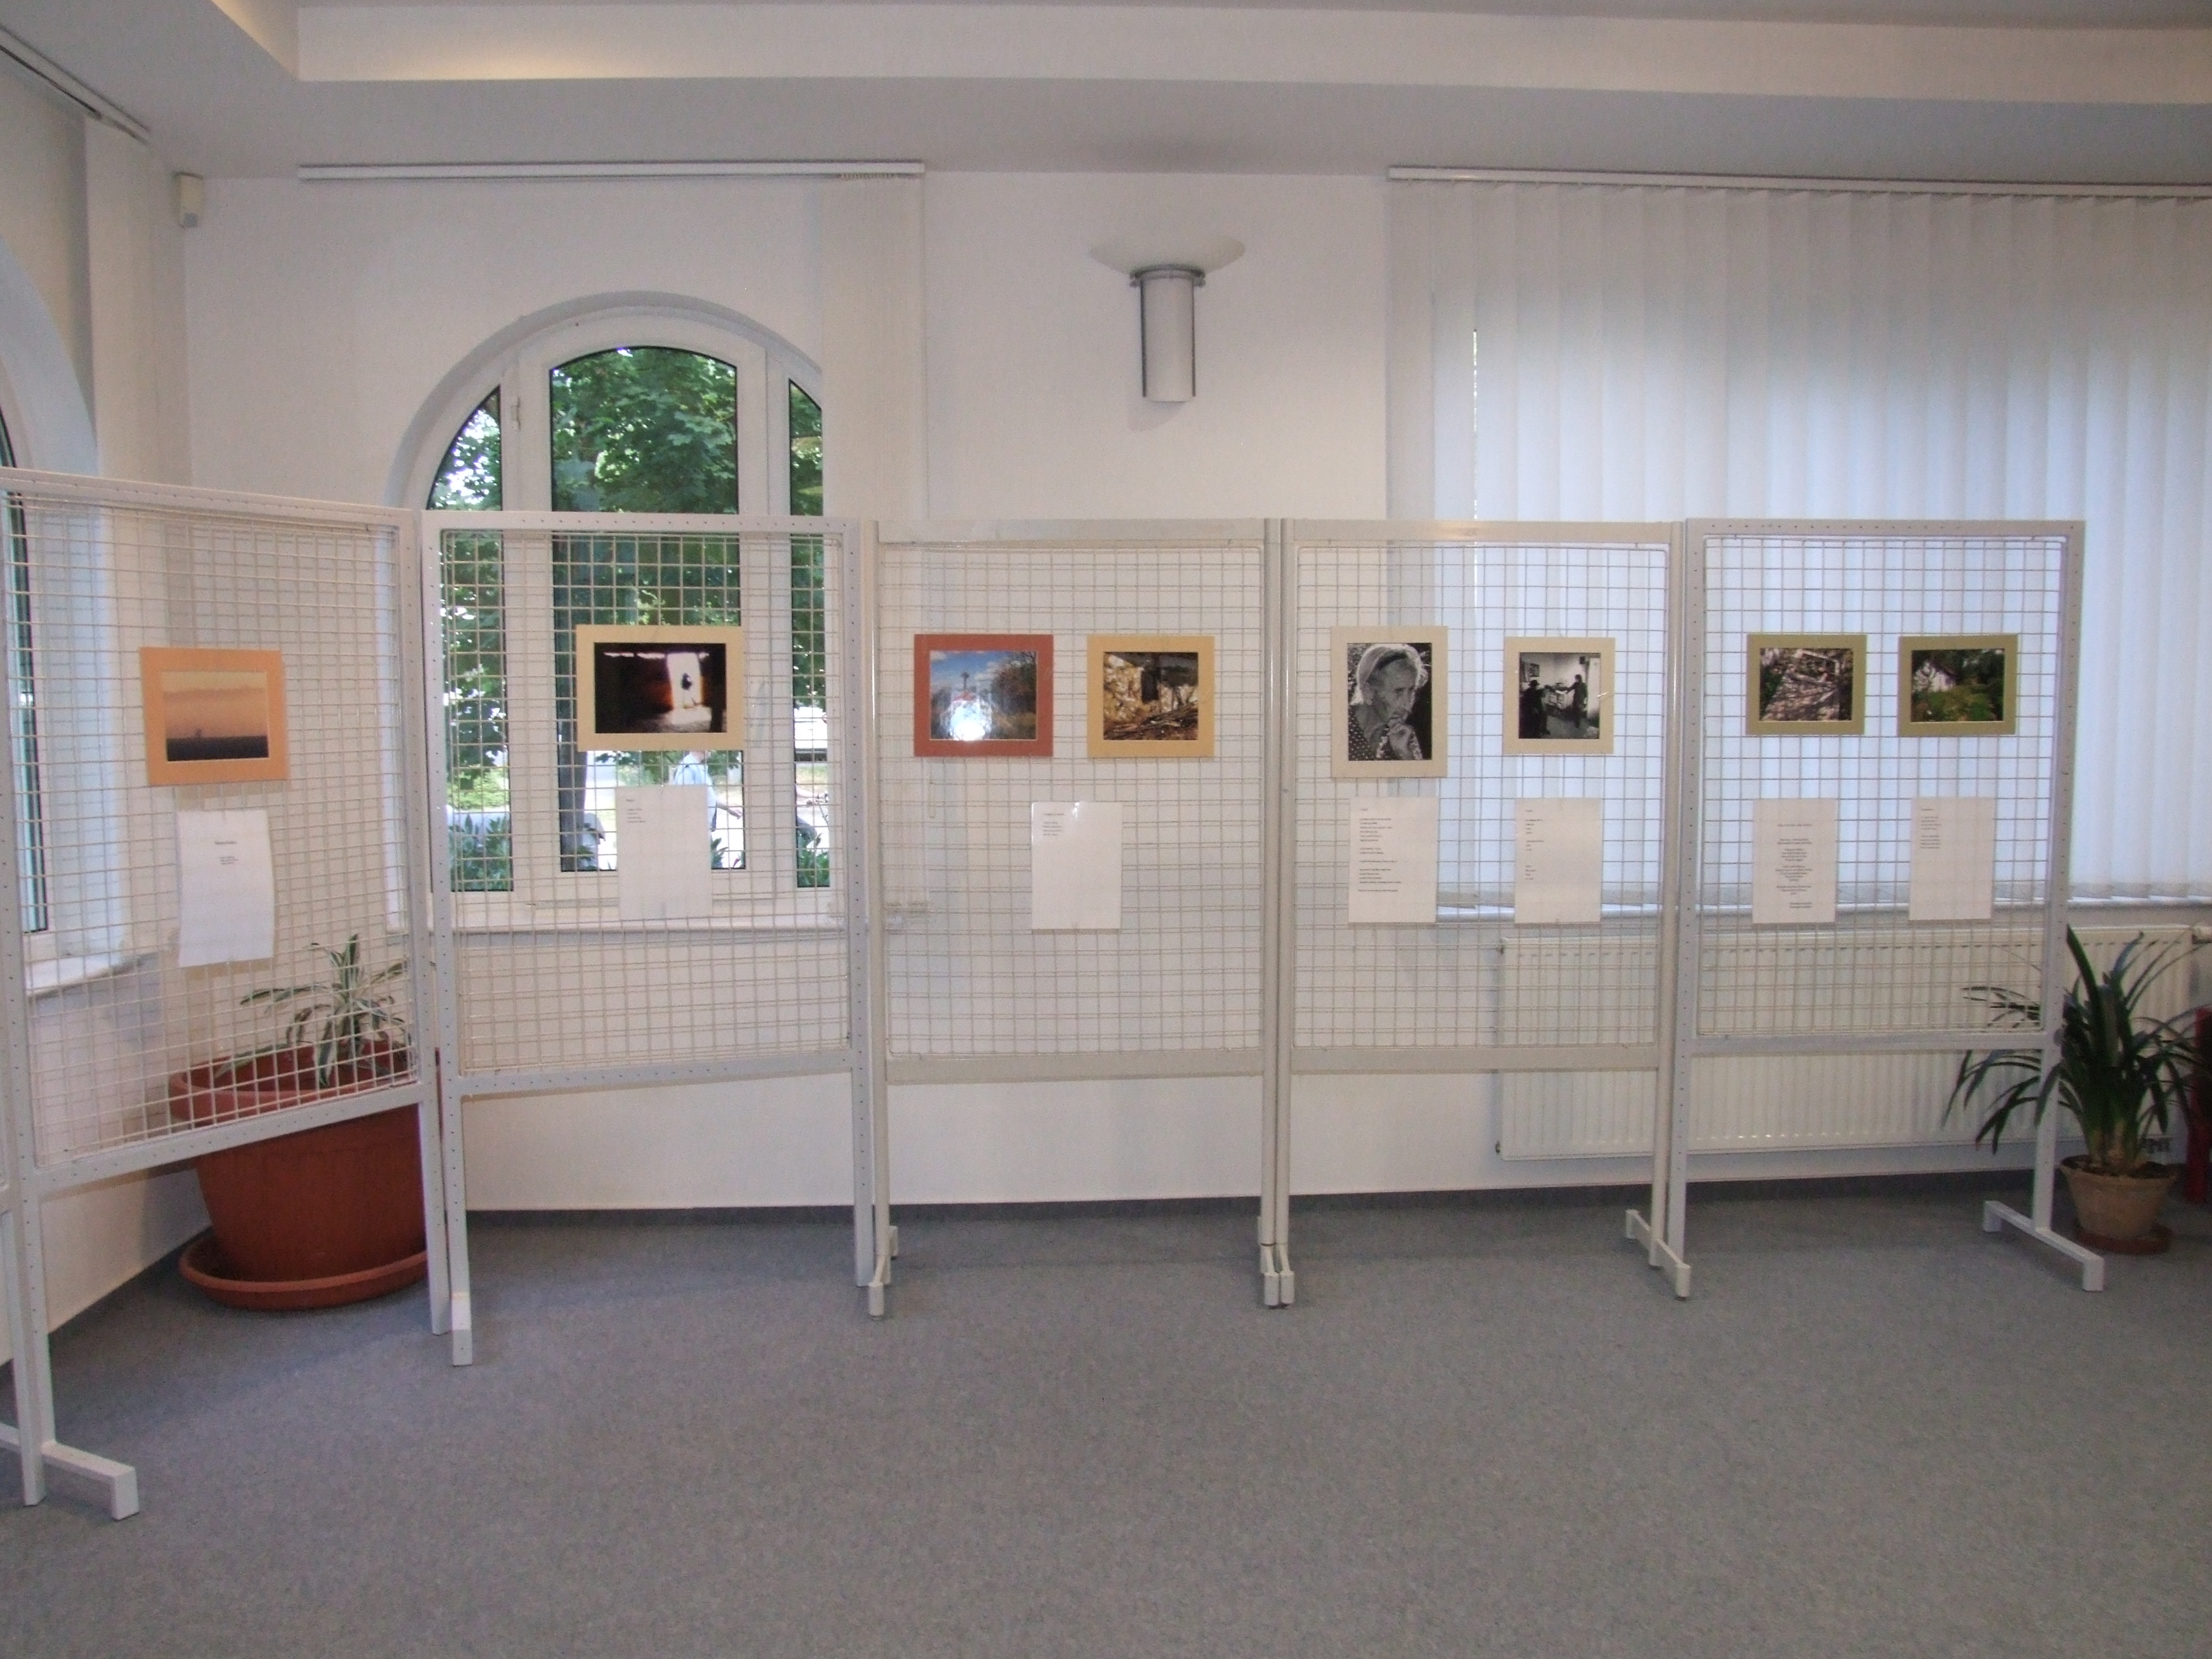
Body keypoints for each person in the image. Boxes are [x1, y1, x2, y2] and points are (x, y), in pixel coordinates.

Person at [1348, 642, 1428, 762]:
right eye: (1398, 691)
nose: (1408, 704)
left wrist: (1405, 754)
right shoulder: (1340, 728)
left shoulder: (1404, 736)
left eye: (1412, 691)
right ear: (1368, 692)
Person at [1519, 661, 1546, 739]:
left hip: (1533, 709)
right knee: (1538, 719)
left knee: (1541, 716)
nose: (1537, 687)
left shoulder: (1532, 691)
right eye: (1536, 686)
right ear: (1534, 686)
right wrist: (1534, 709)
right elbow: (1530, 702)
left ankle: (1539, 731)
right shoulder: (1530, 692)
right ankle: (1536, 733)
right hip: (1532, 710)